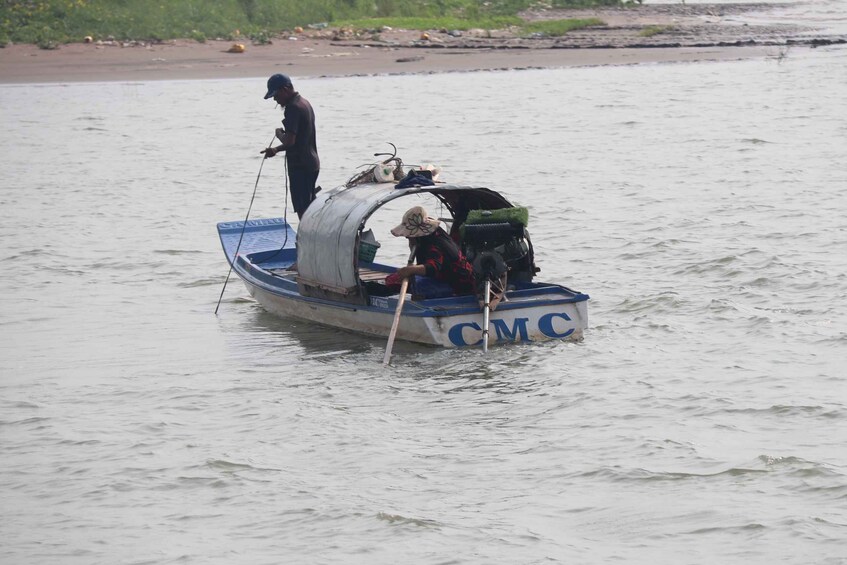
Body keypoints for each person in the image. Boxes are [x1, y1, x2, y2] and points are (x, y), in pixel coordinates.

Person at [260, 73, 320, 220]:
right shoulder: (304, 102)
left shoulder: (292, 108)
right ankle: (312, 236)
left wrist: (275, 146)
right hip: (312, 163)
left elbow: (289, 142)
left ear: (285, 89)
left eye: (276, 95)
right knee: (309, 205)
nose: (275, 99)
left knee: (303, 209)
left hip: (301, 166)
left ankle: (307, 239)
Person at [388, 206, 476, 296]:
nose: (407, 237)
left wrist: (410, 270)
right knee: (392, 279)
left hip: (459, 285)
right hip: (446, 276)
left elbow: (433, 267)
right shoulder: (433, 235)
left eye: (409, 235)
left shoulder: (435, 243)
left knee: (395, 283)